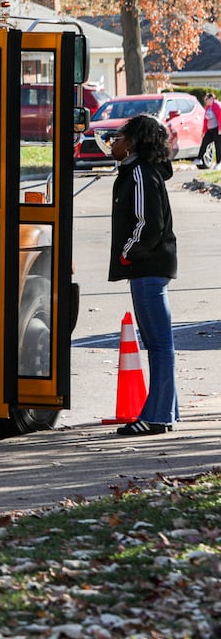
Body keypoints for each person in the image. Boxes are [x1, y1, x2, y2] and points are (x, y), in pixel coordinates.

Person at [109, 113, 179, 436]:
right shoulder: (139, 171)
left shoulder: (140, 174)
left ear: (133, 143)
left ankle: (157, 416)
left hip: (148, 267)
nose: (114, 142)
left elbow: (147, 224)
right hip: (152, 266)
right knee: (159, 343)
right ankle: (166, 410)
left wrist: (127, 252)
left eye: (119, 137)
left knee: (159, 344)